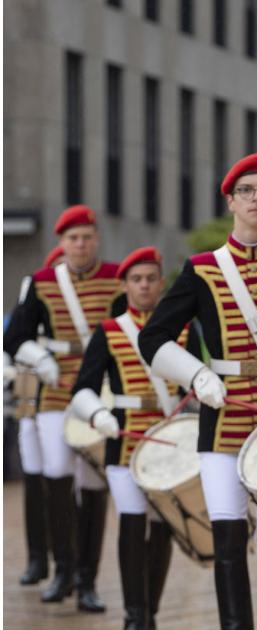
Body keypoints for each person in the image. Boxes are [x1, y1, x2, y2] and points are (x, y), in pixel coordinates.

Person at [139, 153, 257, 630]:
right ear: (231, 202)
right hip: (220, 425)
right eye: (246, 191)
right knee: (227, 540)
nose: (255, 198)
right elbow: (153, 337)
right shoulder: (201, 269)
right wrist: (196, 374)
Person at [4, 205, 123, 611]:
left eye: (87, 236)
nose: (81, 244)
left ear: (96, 239)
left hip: (101, 390)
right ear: (62, 243)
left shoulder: (115, 279)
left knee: (92, 485)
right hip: (55, 393)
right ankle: (62, 569)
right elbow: (15, 336)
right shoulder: (41, 283)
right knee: (55, 473)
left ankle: (88, 579)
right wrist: (39, 359)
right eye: (73, 238)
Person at [71, 247, 195, 629]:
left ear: (161, 283)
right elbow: (83, 388)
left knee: (161, 527)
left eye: (150, 279)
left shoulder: (186, 329)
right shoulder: (108, 331)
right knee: (130, 520)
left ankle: (151, 612)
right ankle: (134, 614)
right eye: (136, 280)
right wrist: (98, 414)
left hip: (168, 440)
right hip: (122, 441)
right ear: (124, 286)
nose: (144, 286)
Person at [8, 245, 65, 587]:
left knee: (65, 487)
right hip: (31, 402)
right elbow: (11, 342)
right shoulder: (30, 305)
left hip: (63, 402)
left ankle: (66, 562)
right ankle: (36, 558)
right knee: (34, 480)